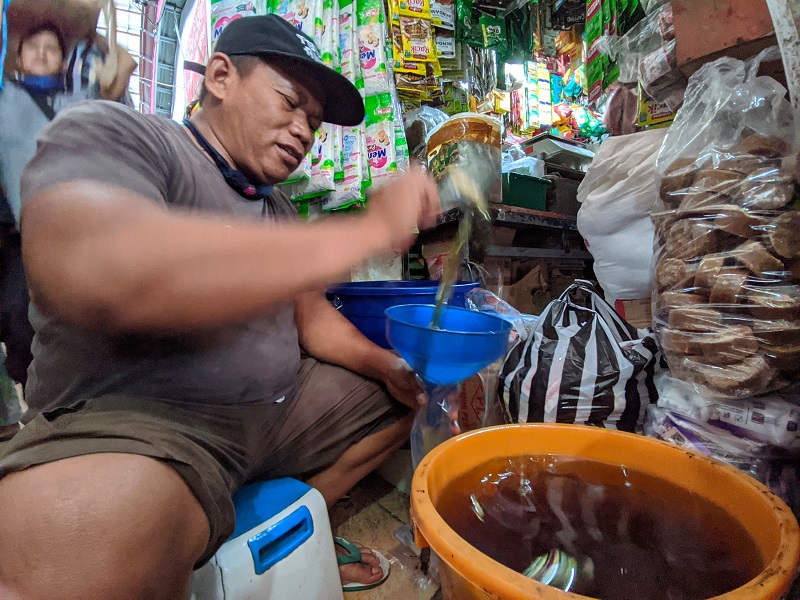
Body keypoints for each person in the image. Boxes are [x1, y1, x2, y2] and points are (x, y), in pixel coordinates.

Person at [0, 14, 442, 599]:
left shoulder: (276, 204)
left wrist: (385, 366)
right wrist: (367, 229)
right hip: (148, 419)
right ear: (220, 76)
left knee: (403, 402)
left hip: (272, 414)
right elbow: (100, 266)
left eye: (313, 120)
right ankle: (201, 534)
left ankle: (290, 531)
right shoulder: (124, 136)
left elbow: (310, 319)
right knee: (94, 528)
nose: (304, 129)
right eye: (290, 102)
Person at [0, 22, 70, 441]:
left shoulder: (81, 101)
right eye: (33, 47)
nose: (43, 54)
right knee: (19, 322)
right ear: (19, 57)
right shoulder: (5, 101)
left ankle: (61, 411)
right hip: (18, 238)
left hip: (70, 237)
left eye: (52, 48)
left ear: (64, 59)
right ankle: (36, 412)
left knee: (69, 322)